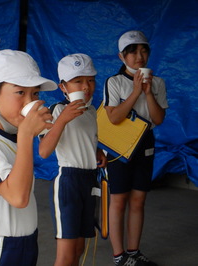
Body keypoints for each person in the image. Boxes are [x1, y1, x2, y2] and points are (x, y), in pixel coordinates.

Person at [0, 49, 57, 266]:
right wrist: (26, 134)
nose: (29, 102)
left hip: (26, 242)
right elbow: (18, 197)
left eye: (34, 94)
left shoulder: (14, 137)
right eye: (19, 93)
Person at [103, 30, 168, 266]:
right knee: (118, 201)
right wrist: (136, 92)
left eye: (143, 50)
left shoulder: (158, 82)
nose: (139, 56)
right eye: (132, 52)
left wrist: (148, 92)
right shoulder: (115, 82)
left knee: (139, 200)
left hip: (145, 145)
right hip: (119, 146)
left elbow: (158, 119)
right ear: (122, 56)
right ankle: (119, 256)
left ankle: (133, 251)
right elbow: (114, 118)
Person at [39, 53, 107, 266]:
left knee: (79, 247)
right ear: (63, 87)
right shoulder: (56, 110)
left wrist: (95, 151)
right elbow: (43, 151)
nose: (86, 86)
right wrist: (62, 120)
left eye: (90, 80)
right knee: (66, 253)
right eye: (78, 81)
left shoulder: (91, 111)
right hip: (68, 182)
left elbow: (83, 138)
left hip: (89, 180)